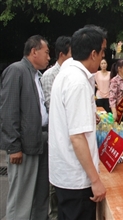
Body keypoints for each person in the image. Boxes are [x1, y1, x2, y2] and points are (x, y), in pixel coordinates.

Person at [49, 25, 107, 220]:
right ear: (93, 54)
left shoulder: (66, 74)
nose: (102, 58)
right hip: (77, 179)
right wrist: (95, 180)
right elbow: (77, 137)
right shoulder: (78, 82)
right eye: (102, 52)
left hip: (65, 173)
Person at [0, 35, 50, 219]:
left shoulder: (36, 75)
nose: (48, 57)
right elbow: (8, 112)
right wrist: (14, 147)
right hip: (23, 146)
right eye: (46, 53)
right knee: (21, 197)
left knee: (39, 194)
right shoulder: (16, 71)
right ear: (34, 51)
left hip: (40, 141)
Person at [40, 35, 71, 220]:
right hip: (56, 137)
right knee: (55, 183)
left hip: (68, 137)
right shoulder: (50, 75)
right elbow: (53, 109)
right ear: (62, 54)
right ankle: (53, 216)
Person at [109, 59, 123, 123]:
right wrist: (114, 112)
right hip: (119, 111)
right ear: (119, 68)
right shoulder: (114, 81)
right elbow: (112, 98)